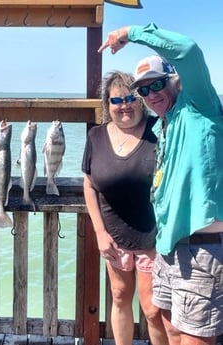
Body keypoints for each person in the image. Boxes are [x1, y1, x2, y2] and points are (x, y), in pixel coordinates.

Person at [98, 23, 223, 345]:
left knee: (195, 338)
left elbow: (188, 51)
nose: (152, 95)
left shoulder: (200, 107)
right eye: (144, 90)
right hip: (169, 249)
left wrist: (131, 32)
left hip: (202, 248)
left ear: (176, 81)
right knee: (170, 332)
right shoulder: (167, 127)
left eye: (157, 85)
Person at [82, 70, 169, 345]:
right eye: (116, 100)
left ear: (141, 100)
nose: (125, 105)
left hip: (153, 237)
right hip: (113, 237)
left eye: (131, 97)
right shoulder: (96, 136)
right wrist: (99, 232)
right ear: (107, 105)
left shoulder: (159, 130)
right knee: (119, 297)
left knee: (153, 309)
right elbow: (89, 185)